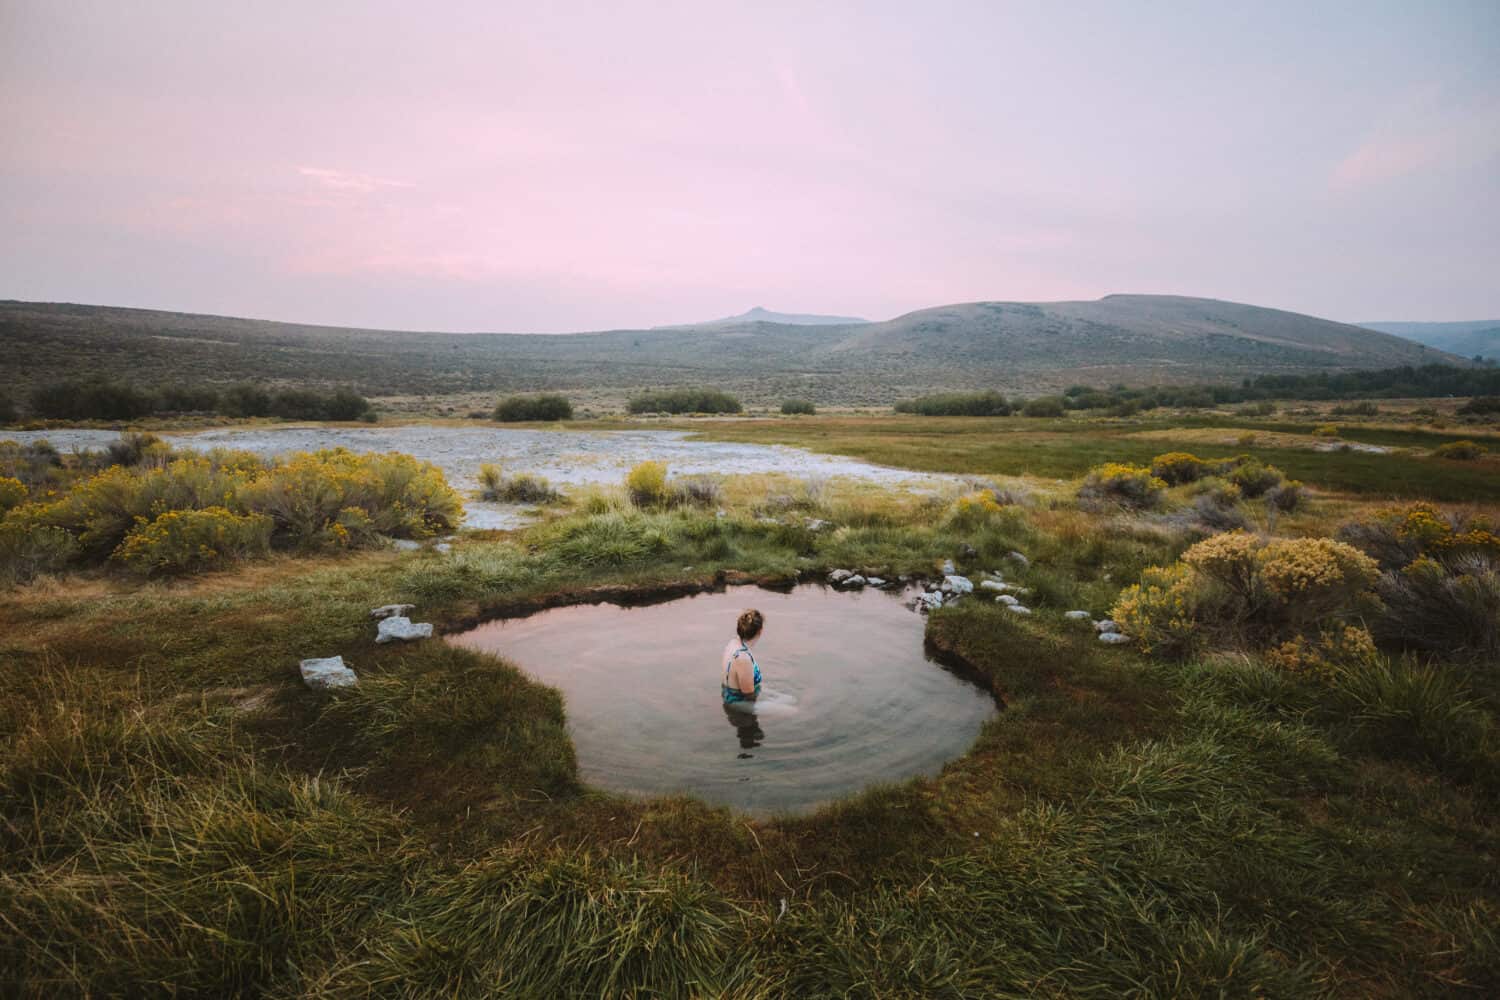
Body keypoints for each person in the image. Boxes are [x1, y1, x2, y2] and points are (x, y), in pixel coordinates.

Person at [721, 608, 764, 706]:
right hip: (738, 701)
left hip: (729, 693)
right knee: (792, 711)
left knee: (789, 699)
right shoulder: (743, 659)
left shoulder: (733, 643)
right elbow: (749, 696)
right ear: (760, 631)